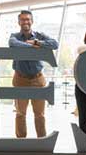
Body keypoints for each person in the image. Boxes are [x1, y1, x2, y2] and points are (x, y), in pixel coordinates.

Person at [9, 10, 59, 138]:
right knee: (20, 113)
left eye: (28, 19)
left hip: (38, 79)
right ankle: (21, 142)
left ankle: (41, 141)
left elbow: (55, 44)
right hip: (20, 79)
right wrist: (31, 47)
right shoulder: (14, 36)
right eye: (23, 19)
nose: (25, 21)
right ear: (19, 22)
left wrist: (38, 43)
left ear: (32, 21)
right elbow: (13, 44)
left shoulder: (39, 35)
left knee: (40, 114)